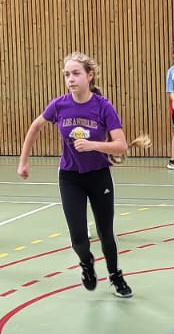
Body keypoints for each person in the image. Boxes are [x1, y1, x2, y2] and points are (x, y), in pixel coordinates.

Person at [16, 52, 134, 298]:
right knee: (78, 237)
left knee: (105, 232)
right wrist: (23, 161)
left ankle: (115, 275)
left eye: (76, 73)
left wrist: (94, 146)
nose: (70, 79)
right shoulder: (59, 105)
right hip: (70, 177)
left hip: (99, 176)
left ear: (90, 76)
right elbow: (35, 127)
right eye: (67, 74)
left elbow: (121, 145)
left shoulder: (103, 106)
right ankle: (86, 263)